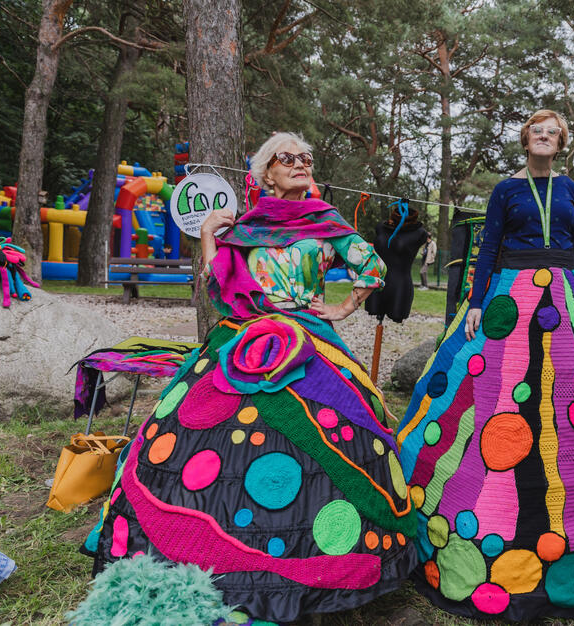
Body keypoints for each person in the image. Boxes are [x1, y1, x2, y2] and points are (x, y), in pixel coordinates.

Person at [89, 132, 417, 623]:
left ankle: (316, 557)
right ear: (266, 173)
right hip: (239, 338)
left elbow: (371, 268)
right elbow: (218, 286)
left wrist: (342, 307)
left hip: (309, 338)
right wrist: (207, 237)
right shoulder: (245, 225)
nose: (302, 165)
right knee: (204, 434)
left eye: (308, 158)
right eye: (289, 159)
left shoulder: (326, 222)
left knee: (326, 434)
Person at [396, 110, 574, 621]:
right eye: (538, 131)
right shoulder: (507, 191)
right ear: (526, 139)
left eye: (553, 133)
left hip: (568, 293)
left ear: (560, 143)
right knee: (501, 386)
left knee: (569, 391)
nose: (544, 138)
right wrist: (474, 303)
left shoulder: (571, 190)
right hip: (512, 294)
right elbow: (488, 247)